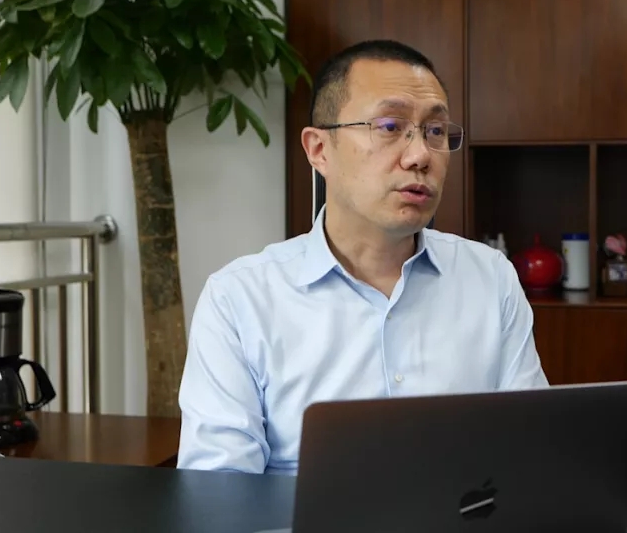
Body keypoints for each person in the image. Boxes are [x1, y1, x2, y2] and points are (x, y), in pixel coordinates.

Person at [175, 40, 550, 475]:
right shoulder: (240, 299)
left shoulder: (490, 277)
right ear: (319, 150)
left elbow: (531, 451)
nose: (420, 156)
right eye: (389, 126)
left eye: (435, 131)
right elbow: (220, 493)